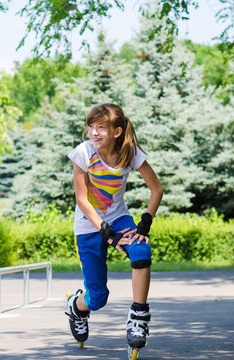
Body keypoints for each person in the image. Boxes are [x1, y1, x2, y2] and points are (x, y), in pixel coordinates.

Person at [65, 103, 163, 352]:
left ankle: (139, 316)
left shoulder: (129, 153)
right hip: (88, 226)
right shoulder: (83, 153)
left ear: (117, 132)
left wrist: (144, 225)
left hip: (119, 217)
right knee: (97, 299)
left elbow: (157, 189)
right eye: (90, 127)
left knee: (141, 251)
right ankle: (76, 307)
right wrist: (106, 233)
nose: (94, 133)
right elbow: (82, 200)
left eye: (101, 127)